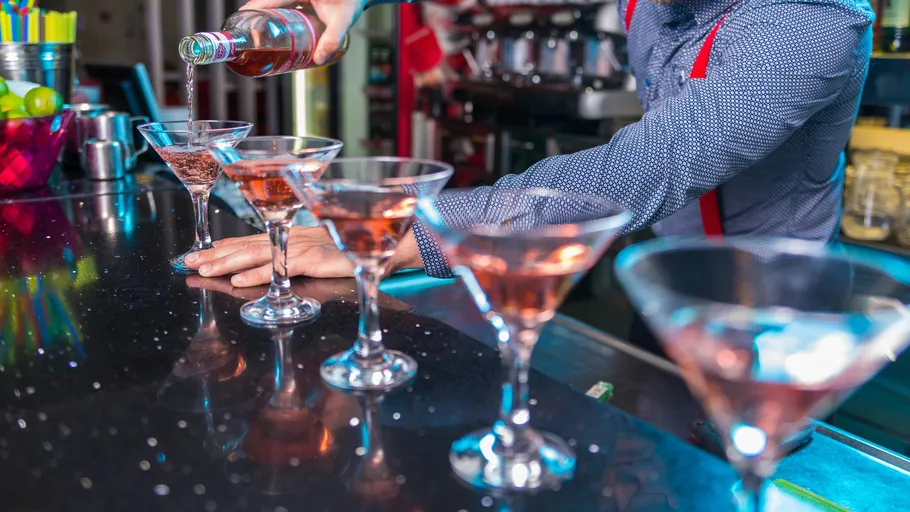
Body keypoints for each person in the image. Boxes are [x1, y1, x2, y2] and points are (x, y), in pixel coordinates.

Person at [187, 0, 874, 285]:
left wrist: (414, 232)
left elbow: (642, 170)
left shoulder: (809, 24)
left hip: (767, 309)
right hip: (662, 276)